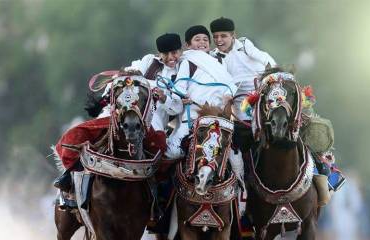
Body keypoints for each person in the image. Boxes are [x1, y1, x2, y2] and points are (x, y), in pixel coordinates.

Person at [53, 33, 182, 192]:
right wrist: (115, 91)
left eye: (174, 53)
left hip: (153, 119)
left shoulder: (183, 70)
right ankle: (70, 178)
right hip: (122, 113)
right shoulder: (148, 62)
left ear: (180, 51)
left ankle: (162, 193)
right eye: (165, 53)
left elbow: (177, 106)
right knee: (76, 134)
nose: (170, 57)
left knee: (162, 150)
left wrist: (164, 98)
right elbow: (122, 78)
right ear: (159, 53)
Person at [164, 25, 236, 159]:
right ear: (188, 45)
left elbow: (229, 83)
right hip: (193, 118)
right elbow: (179, 86)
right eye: (197, 39)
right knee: (172, 152)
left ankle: (241, 179)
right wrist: (180, 97)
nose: (202, 42)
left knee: (234, 155)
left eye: (205, 39)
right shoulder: (187, 62)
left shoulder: (220, 61)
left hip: (218, 117)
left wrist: (229, 94)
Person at [209, 17, 276, 121]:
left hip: (260, 89)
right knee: (244, 126)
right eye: (215, 37)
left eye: (223, 36)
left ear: (233, 36)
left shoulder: (244, 44)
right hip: (239, 97)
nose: (219, 40)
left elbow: (265, 59)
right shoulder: (214, 55)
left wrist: (272, 74)